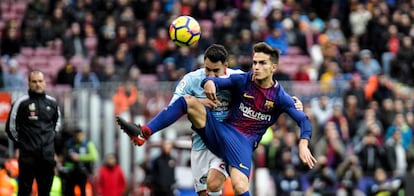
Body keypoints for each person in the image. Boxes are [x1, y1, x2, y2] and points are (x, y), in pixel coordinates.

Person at [116, 42, 316, 195]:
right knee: (188, 101)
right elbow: (219, 80)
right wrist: (210, 83)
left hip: (243, 144)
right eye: (254, 62)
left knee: (235, 186)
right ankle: (144, 133)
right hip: (220, 131)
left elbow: (304, 120)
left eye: (262, 63)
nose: (256, 67)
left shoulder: (280, 98)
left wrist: (303, 144)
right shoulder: (243, 79)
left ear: (273, 68)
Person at [161, 44, 303, 196]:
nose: (211, 73)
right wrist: (200, 102)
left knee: (218, 183)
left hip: (229, 140)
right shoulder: (192, 80)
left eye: (216, 70)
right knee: (205, 192)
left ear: (225, 66)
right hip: (201, 142)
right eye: (208, 69)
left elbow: (264, 87)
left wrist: (292, 102)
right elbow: (174, 106)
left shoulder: (236, 77)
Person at [5, 70, 62, 196]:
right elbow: (10, 128)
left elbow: (57, 126)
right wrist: (23, 143)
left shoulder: (53, 103)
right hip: (28, 156)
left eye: (40, 81)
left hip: (46, 156)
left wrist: (49, 146)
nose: (38, 84)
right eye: (34, 81)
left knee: (45, 191)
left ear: (45, 83)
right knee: (25, 191)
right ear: (29, 83)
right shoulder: (21, 103)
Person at [62, 129, 98, 196]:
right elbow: (64, 158)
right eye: (77, 136)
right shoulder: (69, 144)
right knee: (69, 191)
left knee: (83, 191)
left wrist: (79, 157)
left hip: (83, 172)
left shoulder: (88, 144)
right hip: (71, 173)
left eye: (80, 135)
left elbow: (94, 156)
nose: (79, 137)